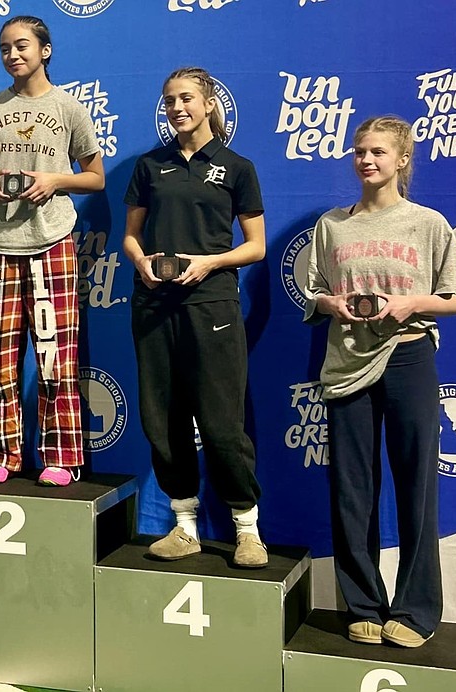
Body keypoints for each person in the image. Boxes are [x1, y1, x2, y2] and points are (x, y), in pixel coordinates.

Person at [304, 115, 456, 647]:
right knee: (352, 489)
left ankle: (417, 610)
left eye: (377, 152)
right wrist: (331, 302)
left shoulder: (427, 223)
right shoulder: (332, 225)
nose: (366, 160)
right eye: (359, 151)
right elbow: (314, 292)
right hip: (348, 362)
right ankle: (363, 604)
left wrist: (409, 304)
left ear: (402, 160)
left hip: (408, 358)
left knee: (417, 487)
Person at [122, 67, 267, 567]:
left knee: (223, 422)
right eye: (169, 101)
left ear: (208, 103)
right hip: (153, 307)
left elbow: (256, 246)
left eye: (186, 99)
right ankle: (184, 526)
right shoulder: (149, 165)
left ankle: (247, 528)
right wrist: (141, 262)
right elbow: (130, 236)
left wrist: (209, 262)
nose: (177, 107)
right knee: (161, 421)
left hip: (213, 306)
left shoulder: (237, 168)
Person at [0, 16, 104, 487]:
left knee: (56, 355)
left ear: (45, 50)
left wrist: (55, 180)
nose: (13, 55)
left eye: (22, 46)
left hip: (53, 241)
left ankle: (60, 456)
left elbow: (95, 177)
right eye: (4, 48)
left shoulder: (69, 108)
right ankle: (1, 453)